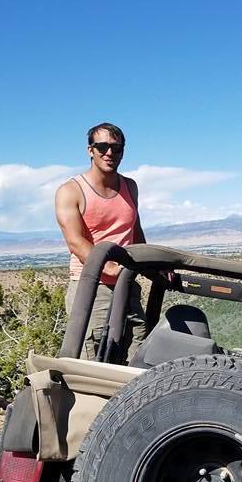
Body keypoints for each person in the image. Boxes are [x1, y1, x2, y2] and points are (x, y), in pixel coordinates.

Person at [55, 122, 147, 362]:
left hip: (127, 285)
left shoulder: (130, 187)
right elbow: (75, 242)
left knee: (137, 352)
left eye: (116, 148)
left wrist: (153, 265)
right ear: (90, 150)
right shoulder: (71, 191)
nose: (109, 153)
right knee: (92, 360)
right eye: (102, 147)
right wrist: (112, 269)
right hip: (92, 288)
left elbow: (135, 231)